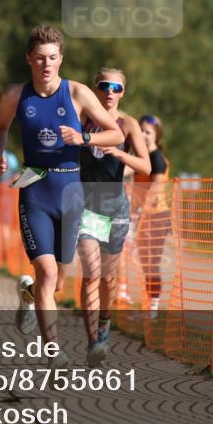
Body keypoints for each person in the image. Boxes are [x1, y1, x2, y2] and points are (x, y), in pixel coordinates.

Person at [0, 24, 123, 367]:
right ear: (29, 60)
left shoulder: (77, 93)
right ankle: (54, 354)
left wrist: (84, 140)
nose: (46, 65)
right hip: (35, 188)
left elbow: (114, 135)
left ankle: (29, 295)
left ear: (61, 59)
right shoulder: (15, 96)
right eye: (39, 59)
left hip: (70, 192)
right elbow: (1, 127)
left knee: (58, 279)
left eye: (52, 58)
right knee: (47, 273)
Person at [77, 68, 151, 366]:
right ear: (95, 89)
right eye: (104, 85)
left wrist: (121, 155)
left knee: (108, 279)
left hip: (115, 207)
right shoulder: (82, 120)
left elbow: (145, 165)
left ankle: (104, 326)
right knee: (91, 274)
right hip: (86, 207)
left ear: (123, 92)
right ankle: (94, 340)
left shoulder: (128, 124)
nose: (110, 91)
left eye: (116, 87)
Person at [134, 114, 172, 317]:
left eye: (148, 132)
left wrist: (140, 213)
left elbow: (155, 190)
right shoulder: (141, 158)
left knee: (153, 262)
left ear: (157, 136)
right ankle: (149, 305)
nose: (143, 135)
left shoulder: (157, 158)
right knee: (145, 262)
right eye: (140, 130)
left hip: (157, 216)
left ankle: (154, 310)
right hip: (143, 216)